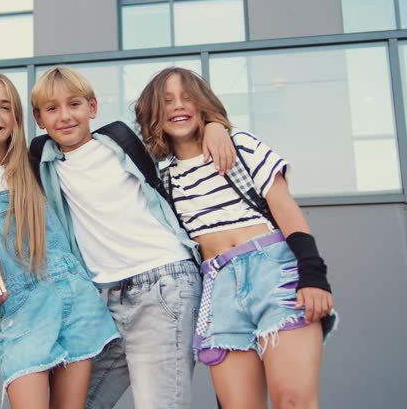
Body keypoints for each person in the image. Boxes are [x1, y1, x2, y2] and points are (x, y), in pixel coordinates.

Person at [31, 65, 235, 409]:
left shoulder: (122, 141)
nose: (65, 116)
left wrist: (216, 125)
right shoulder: (42, 160)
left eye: (75, 104)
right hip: (105, 303)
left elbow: (178, 128)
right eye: (52, 109)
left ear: (92, 107)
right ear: (39, 118)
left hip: (164, 284)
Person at [136, 67, 338, 409]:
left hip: (274, 273)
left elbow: (285, 208)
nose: (177, 107)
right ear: (154, 113)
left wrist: (313, 273)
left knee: (293, 400)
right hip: (217, 289)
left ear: (203, 104)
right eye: (166, 101)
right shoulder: (162, 179)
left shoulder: (240, 145)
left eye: (187, 98)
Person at [0, 72, 119, 409]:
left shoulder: (39, 165)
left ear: (17, 119)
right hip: (18, 314)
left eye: (5, 107)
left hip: (75, 302)